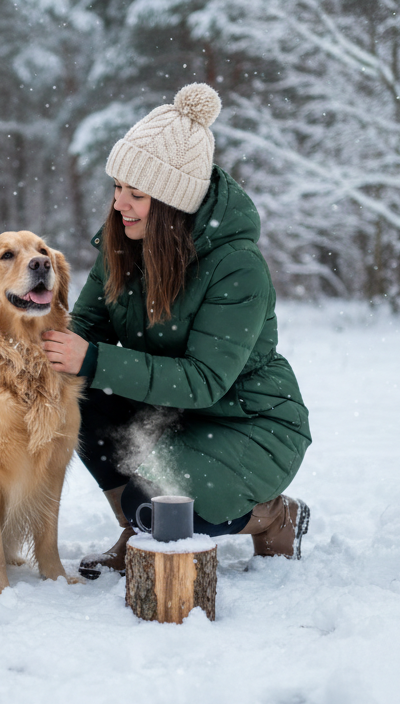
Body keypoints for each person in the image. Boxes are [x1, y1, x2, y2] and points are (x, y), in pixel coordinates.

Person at [41, 83, 312, 578]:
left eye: (137, 194)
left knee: (159, 505)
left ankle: (273, 515)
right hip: (172, 413)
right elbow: (83, 329)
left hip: (249, 423)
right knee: (78, 395)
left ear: (174, 203)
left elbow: (205, 380)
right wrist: (17, 339)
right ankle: (139, 530)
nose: (120, 204)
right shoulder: (123, 244)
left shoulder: (236, 266)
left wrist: (94, 359)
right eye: (117, 187)